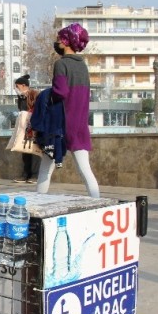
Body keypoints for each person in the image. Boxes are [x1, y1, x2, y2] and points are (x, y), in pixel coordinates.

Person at [37, 23, 100, 198]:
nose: (56, 42)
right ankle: (98, 202)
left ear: (66, 41)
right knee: (85, 170)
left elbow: (61, 92)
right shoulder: (83, 66)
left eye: (59, 39)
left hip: (60, 125)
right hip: (79, 124)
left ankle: (37, 203)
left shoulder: (61, 64)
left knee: (45, 170)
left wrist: (45, 95)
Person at [12, 75, 40, 183]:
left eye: (17, 86)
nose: (16, 89)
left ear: (24, 85)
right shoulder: (21, 97)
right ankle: (25, 174)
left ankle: (35, 175)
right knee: (25, 151)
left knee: (34, 151)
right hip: (25, 127)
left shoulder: (34, 94)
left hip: (34, 127)